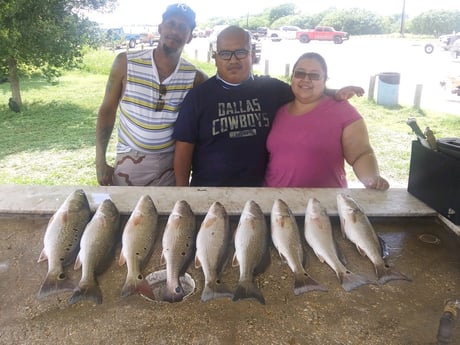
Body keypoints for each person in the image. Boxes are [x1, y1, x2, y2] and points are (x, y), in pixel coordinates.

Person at [173, 25, 364, 187]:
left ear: (252, 54)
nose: (233, 60)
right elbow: (183, 151)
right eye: (225, 53)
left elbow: (304, 90)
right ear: (215, 57)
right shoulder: (198, 97)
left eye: (240, 52)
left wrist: (334, 92)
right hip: (210, 192)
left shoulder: (271, 89)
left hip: (260, 194)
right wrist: (183, 196)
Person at [96, 3, 207, 186]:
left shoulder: (196, 78)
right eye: (170, 24)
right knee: (127, 212)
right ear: (160, 28)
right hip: (129, 159)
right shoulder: (125, 63)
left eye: (182, 28)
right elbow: (107, 111)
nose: (174, 31)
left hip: (170, 165)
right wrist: (100, 161)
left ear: (189, 37)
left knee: (167, 213)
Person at [264, 52, 389, 190]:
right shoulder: (279, 110)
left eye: (314, 75)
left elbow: (361, 153)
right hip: (275, 201)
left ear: (324, 80)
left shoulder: (342, 110)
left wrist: (371, 179)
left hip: (324, 204)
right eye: (300, 73)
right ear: (292, 77)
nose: (306, 79)